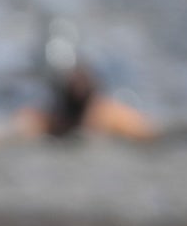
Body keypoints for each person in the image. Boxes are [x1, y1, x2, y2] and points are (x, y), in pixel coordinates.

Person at [11, 16, 158, 142]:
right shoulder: (44, 121)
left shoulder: (114, 117)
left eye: (80, 78)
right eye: (71, 80)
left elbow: (150, 134)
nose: (76, 84)